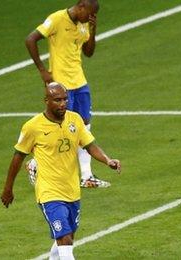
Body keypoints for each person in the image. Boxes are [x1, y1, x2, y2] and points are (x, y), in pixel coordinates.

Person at [0, 82, 121, 260]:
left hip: (72, 190)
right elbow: (18, 158)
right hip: (49, 192)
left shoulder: (75, 120)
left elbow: (90, 145)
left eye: (65, 99)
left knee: (68, 238)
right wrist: (8, 189)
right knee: (64, 238)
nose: (63, 103)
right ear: (46, 101)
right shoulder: (33, 127)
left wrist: (107, 160)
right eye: (57, 100)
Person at [25, 0, 110, 188]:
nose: (90, 18)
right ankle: (35, 164)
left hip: (80, 83)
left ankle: (87, 176)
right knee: (61, 129)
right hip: (62, 86)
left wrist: (93, 31)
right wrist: (42, 70)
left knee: (84, 128)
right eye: (89, 14)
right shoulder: (57, 19)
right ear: (81, 6)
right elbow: (30, 39)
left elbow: (88, 52)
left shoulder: (83, 24)